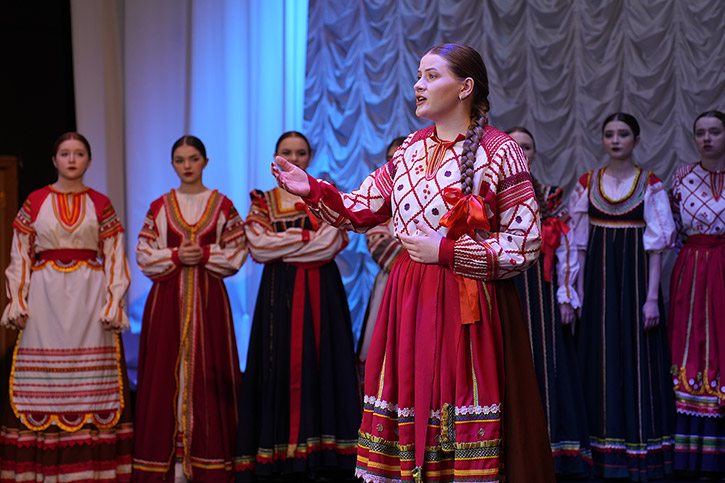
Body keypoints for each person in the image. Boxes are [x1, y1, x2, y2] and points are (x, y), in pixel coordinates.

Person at [271, 44, 554, 483]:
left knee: (459, 398)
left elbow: (525, 242)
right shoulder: (410, 148)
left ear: (465, 87)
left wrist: (448, 252)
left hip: (467, 300)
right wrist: (312, 188)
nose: (419, 85)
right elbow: (362, 207)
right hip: (410, 297)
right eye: (419, 75)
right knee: (408, 392)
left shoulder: (501, 151)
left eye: (431, 76)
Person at [0, 132, 133, 481]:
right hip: (45, 297)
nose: (72, 159)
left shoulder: (101, 203)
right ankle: (41, 468)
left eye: (79, 153)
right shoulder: (35, 200)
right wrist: (17, 299)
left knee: (92, 378)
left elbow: (115, 254)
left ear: (89, 160)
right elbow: (20, 253)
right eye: (65, 153)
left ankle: (92, 468)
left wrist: (114, 302)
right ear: (54, 160)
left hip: (90, 297)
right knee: (43, 377)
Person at [234, 131, 360, 481]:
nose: (294, 158)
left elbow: (330, 243)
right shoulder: (263, 201)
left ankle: (326, 455)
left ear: (310, 156)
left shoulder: (323, 195)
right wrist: (306, 237)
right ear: (275, 158)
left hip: (322, 291)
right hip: (280, 294)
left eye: (301, 152)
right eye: (287, 152)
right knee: (280, 362)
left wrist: (284, 242)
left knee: (323, 360)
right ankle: (283, 455)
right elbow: (258, 246)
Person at [133, 135, 247, 483]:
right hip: (166, 303)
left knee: (209, 371)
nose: (187, 166)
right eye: (180, 160)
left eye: (193, 158)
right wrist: (176, 255)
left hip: (210, 302)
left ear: (205, 162)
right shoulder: (159, 206)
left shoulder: (223, 205)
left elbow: (238, 251)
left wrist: (206, 254)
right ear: (172, 164)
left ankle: (207, 460)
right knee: (163, 373)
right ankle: (167, 462)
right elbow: (143, 253)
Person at [569, 113, 676, 480]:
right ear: (602, 140)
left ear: (636, 140)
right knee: (598, 359)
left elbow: (657, 247)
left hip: (635, 283)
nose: (616, 140)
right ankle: (598, 452)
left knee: (636, 358)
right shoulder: (587, 183)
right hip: (597, 283)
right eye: (610, 134)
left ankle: (638, 450)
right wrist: (578, 289)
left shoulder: (651, 184)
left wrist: (652, 298)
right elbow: (579, 243)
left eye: (623, 134)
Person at [507, 126, 592, 476]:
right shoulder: (486, 195)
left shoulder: (550, 196)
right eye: (513, 147)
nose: (520, 153)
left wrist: (566, 297)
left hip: (540, 290)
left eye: (526, 147)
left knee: (546, 360)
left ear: (534, 153)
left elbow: (566, 248)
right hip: (504, 286)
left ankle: (552, 448)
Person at [668, 110, 725, 476]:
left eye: (715, 131)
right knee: (690, 344)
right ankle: (691, 454)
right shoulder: (681, 178)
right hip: (692, 268)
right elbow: (673, 230)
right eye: (701, 132)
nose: (707, 138)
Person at [357, 136, 406, 367]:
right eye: (389, 160)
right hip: (391, 281)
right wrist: (419, 260)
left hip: (428, 282)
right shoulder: (382, 199)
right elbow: (377, 241)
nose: (394, 165)